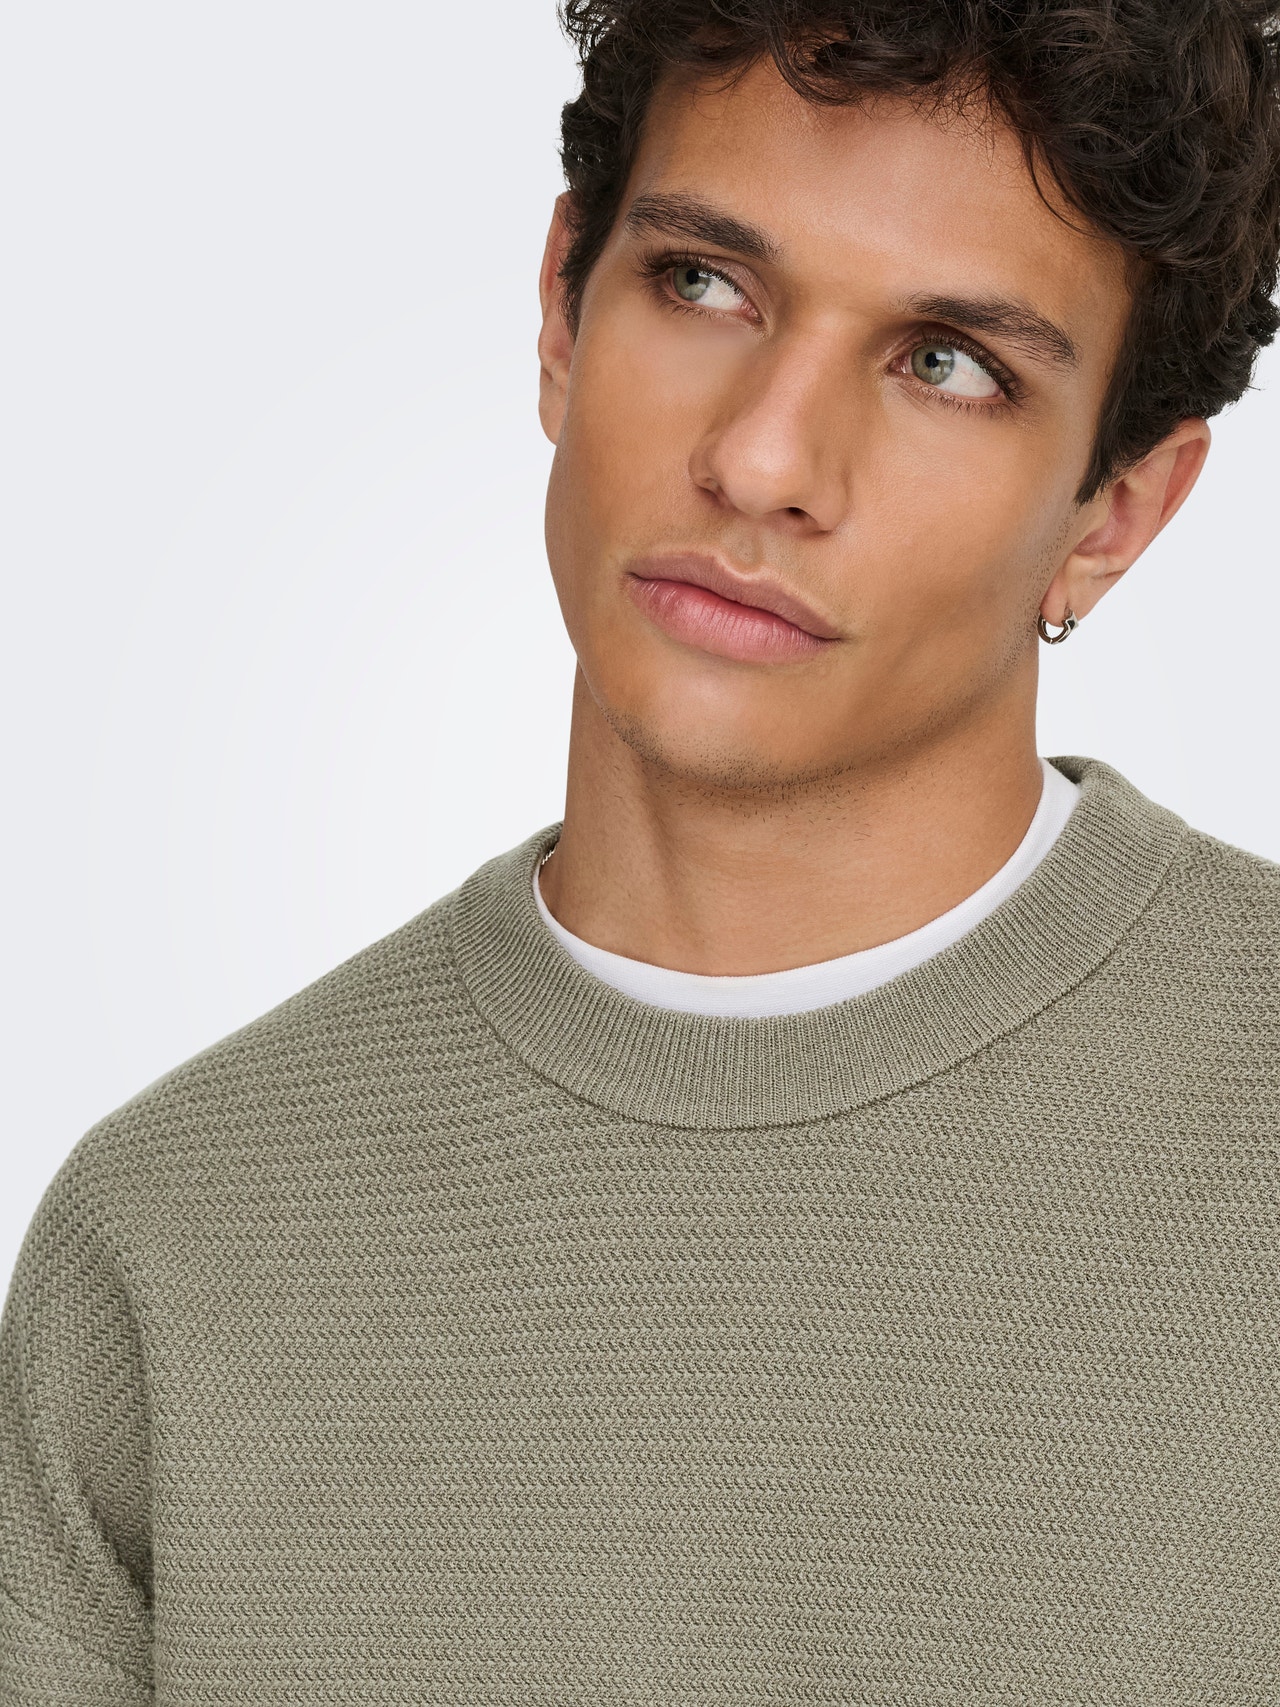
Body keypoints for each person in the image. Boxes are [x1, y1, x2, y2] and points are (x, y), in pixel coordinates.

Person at [3, 0, 1279, 1697]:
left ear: (1114, 515)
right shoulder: (172, 1248)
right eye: (702, 283)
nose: (761, 459)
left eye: (948, 364)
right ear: (560, 307)